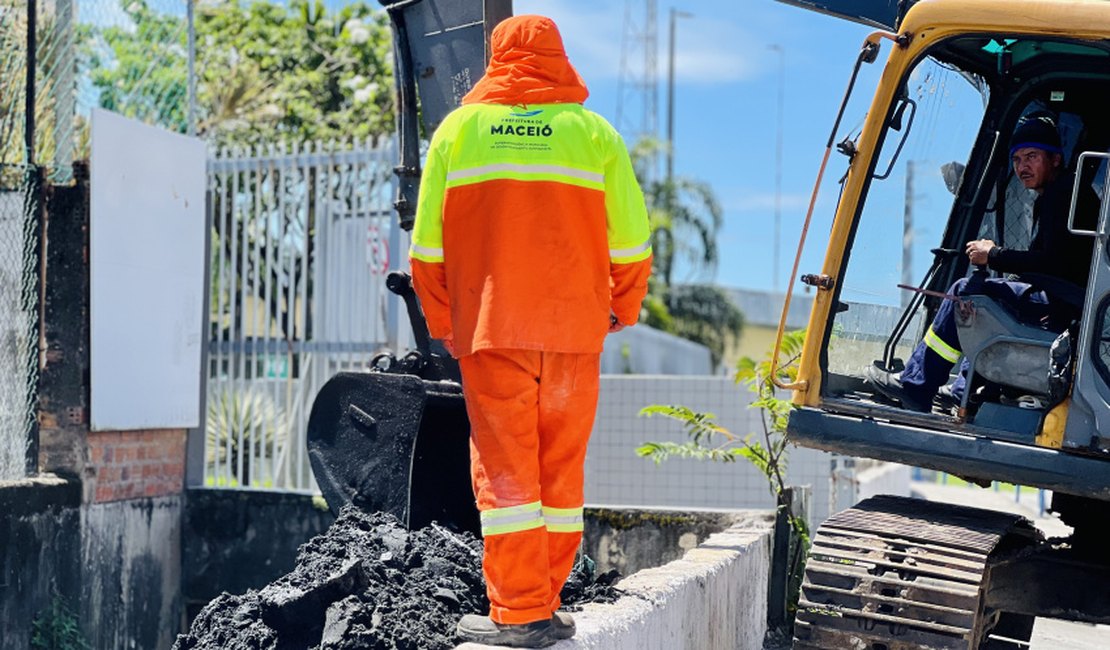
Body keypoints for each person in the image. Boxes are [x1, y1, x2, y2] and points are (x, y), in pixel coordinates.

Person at [409, 14, 652, 648]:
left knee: (507, 472)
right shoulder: (595, 135)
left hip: (492, 330)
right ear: (558, 59)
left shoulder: (458, 132)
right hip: (573, 332)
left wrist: (446, 324)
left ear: (496, 58)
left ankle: (516, 614)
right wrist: (620, 309)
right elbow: (631, 242)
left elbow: (426, 251)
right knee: (559, 471)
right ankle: (543, 603)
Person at [868, 110, 1096, 412]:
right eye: (1016, 160)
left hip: (1063, 303)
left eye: (1032, 157)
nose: (1022, 167)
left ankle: (916, 386)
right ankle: (967, 389)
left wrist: (994, 254)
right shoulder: (1061, 192)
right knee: (991, 296)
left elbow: (1054, 263)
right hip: (1066, 301)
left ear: (1055, 159)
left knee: (967, 291)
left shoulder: (1064, 193)